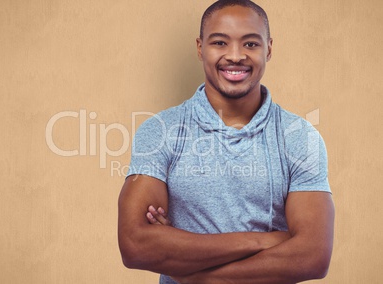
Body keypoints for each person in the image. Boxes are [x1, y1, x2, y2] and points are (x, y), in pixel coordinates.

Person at [118, 0, 335, 283]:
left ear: (269, 48)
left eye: (251, 44)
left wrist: (194, 274)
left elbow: (312, 257)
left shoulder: (299, 137)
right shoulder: (160, 132)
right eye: (220, 43)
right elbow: (136, 246)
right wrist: (260, 241)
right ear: (200, 47)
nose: (235, 56)